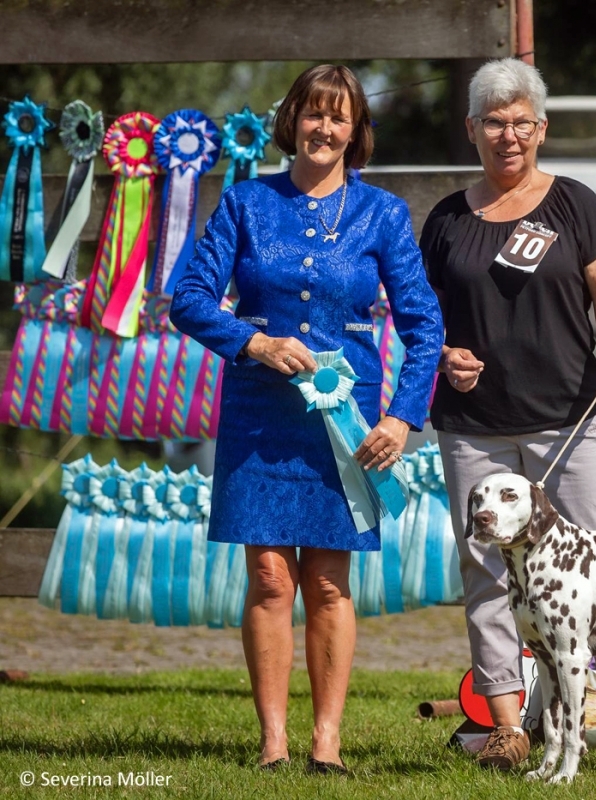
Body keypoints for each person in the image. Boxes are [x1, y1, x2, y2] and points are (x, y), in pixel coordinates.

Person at [169, 64, 443, 773]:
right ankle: (272, 743)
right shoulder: (244, 203)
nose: (325, 129)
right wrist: (254, 342)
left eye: (340, 118)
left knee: (327, 580)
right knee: (267, 576)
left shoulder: (383, 213)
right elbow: (189, 299)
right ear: (292, 120)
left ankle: (327, 741)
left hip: (350, 421)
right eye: (314, 114)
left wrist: (403, 417)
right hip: (259, 413)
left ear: (357, 132)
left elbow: (425, 324)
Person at [418, 58, 596, 773]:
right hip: (474, 427)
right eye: (494, 122)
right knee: (488, 574)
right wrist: (443, 354)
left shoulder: (575, 203)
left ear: (543, 128)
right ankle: (506, 728)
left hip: (571, 418)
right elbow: (417, 320)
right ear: (472, 129)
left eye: (522, 122)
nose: (509, 135)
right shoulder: (445, 219)